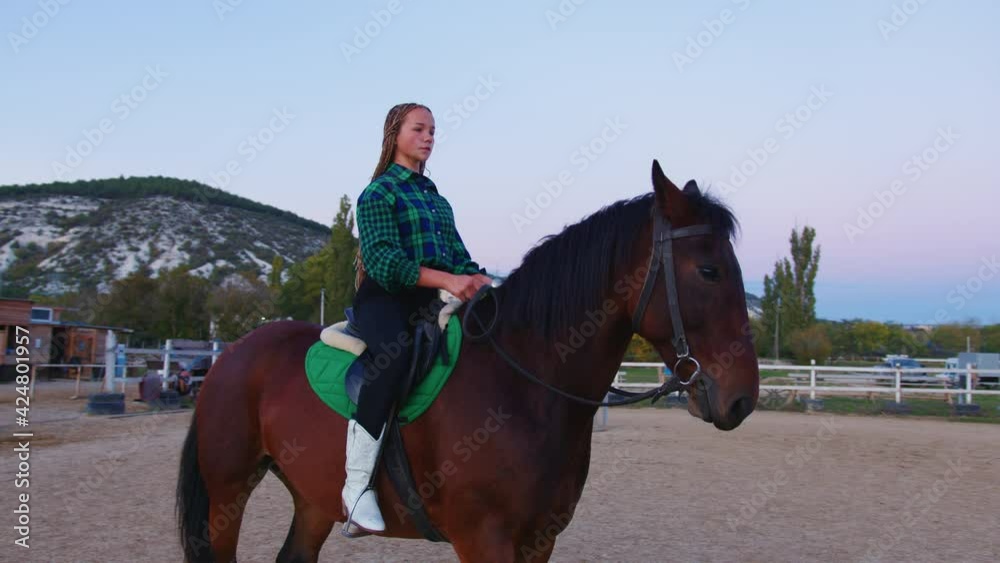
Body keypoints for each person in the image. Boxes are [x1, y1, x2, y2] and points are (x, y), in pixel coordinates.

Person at [344, 102, 493, 533]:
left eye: (433, 131)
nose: (429, 137)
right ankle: (356, 488)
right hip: (387, 299)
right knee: (394, 355)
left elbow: (460, 258)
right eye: (419, 129)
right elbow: (385, 261)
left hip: (431, 298)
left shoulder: (436, 200)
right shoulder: (377, 194)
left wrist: (482, 282)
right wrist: (448, 278)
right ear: (395, 134)